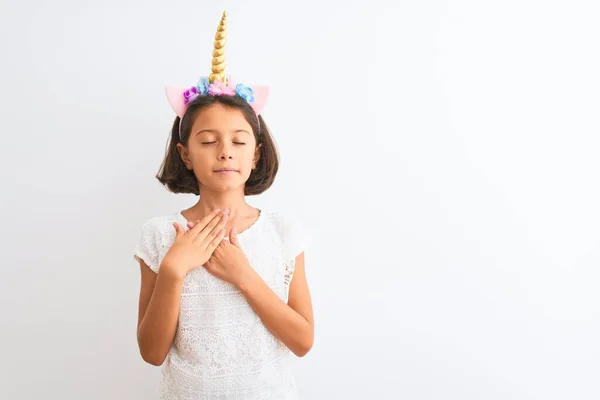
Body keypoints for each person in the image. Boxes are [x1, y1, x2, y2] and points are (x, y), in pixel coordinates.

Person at [133, 11, 314, 400]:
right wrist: (173, 268)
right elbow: (151, 352)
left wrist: (244, 275)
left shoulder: (282, 233)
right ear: (184, 154)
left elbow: (302, 340)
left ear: (255, 155)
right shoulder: (160, 235)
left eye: (238, 141)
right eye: (208, 140)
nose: (225, 153)